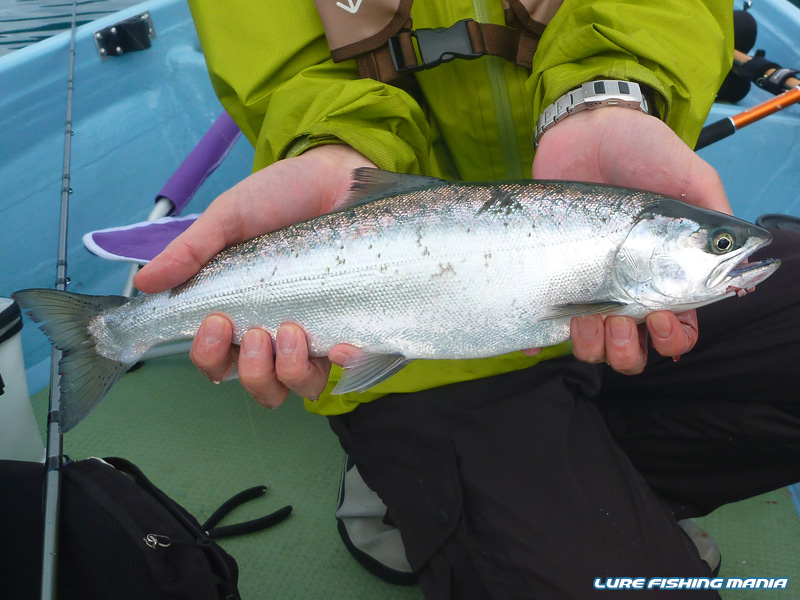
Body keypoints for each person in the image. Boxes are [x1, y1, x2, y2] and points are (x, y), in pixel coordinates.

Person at [134, 1, 800, 597]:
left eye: (716, 246)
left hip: (579, 316)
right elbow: (284, 73)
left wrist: (607, 97)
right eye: (717, 245)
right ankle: (420, 485)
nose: (730, 250)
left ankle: (597, 486)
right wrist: (333, 148)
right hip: (424, 367)